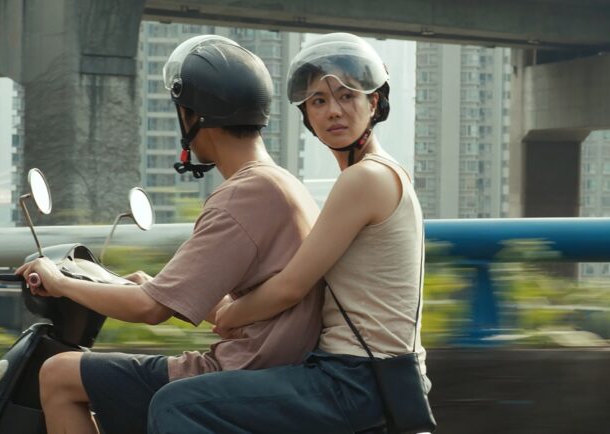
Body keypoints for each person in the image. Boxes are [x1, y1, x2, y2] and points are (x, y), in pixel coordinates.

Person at [15, 35, 324, 434]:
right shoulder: (282, 185)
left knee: (58, 376)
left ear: (193, 115)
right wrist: (153, 285)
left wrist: (58, 281)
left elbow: (150, 311)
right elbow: (241, 307)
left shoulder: (241, 197)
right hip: (272, 369)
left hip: (240, 373)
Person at [147, 32, 430, 434]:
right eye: (318, 100)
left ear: (375, 102)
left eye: (347, 95)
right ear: (306, 115)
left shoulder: (365, 179)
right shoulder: (379, 175)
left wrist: (228, 314)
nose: (333, 111)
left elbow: (290, 287)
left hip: (354, 379)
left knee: (179, 403)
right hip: (366, 376)